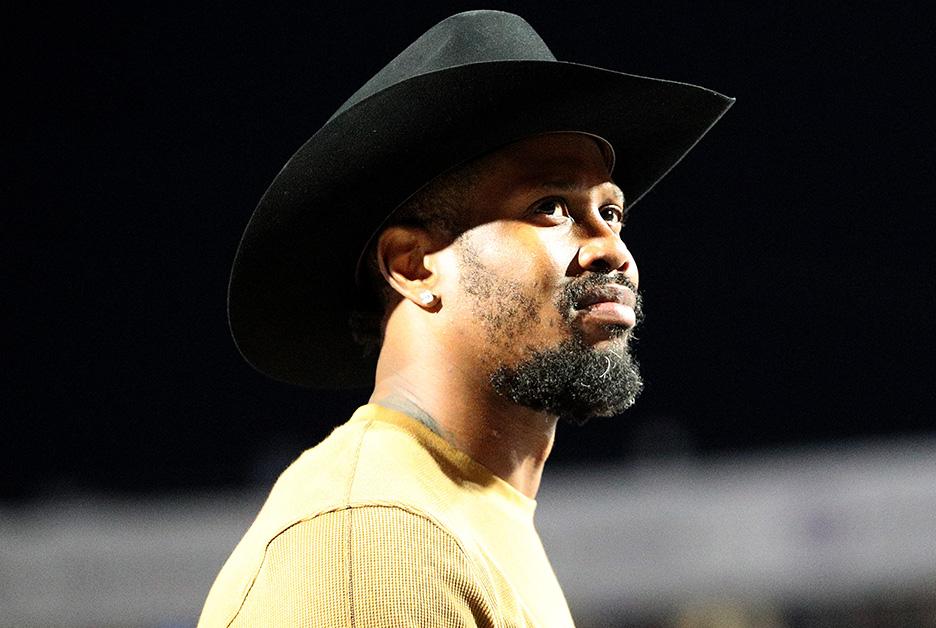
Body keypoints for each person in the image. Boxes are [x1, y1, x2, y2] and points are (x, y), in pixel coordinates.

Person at [199, 10, 731, 627]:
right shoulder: (379, 538)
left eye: (612, 213)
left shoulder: (468, 515)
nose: (612, 248)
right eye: (551, 206)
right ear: (416, 264)